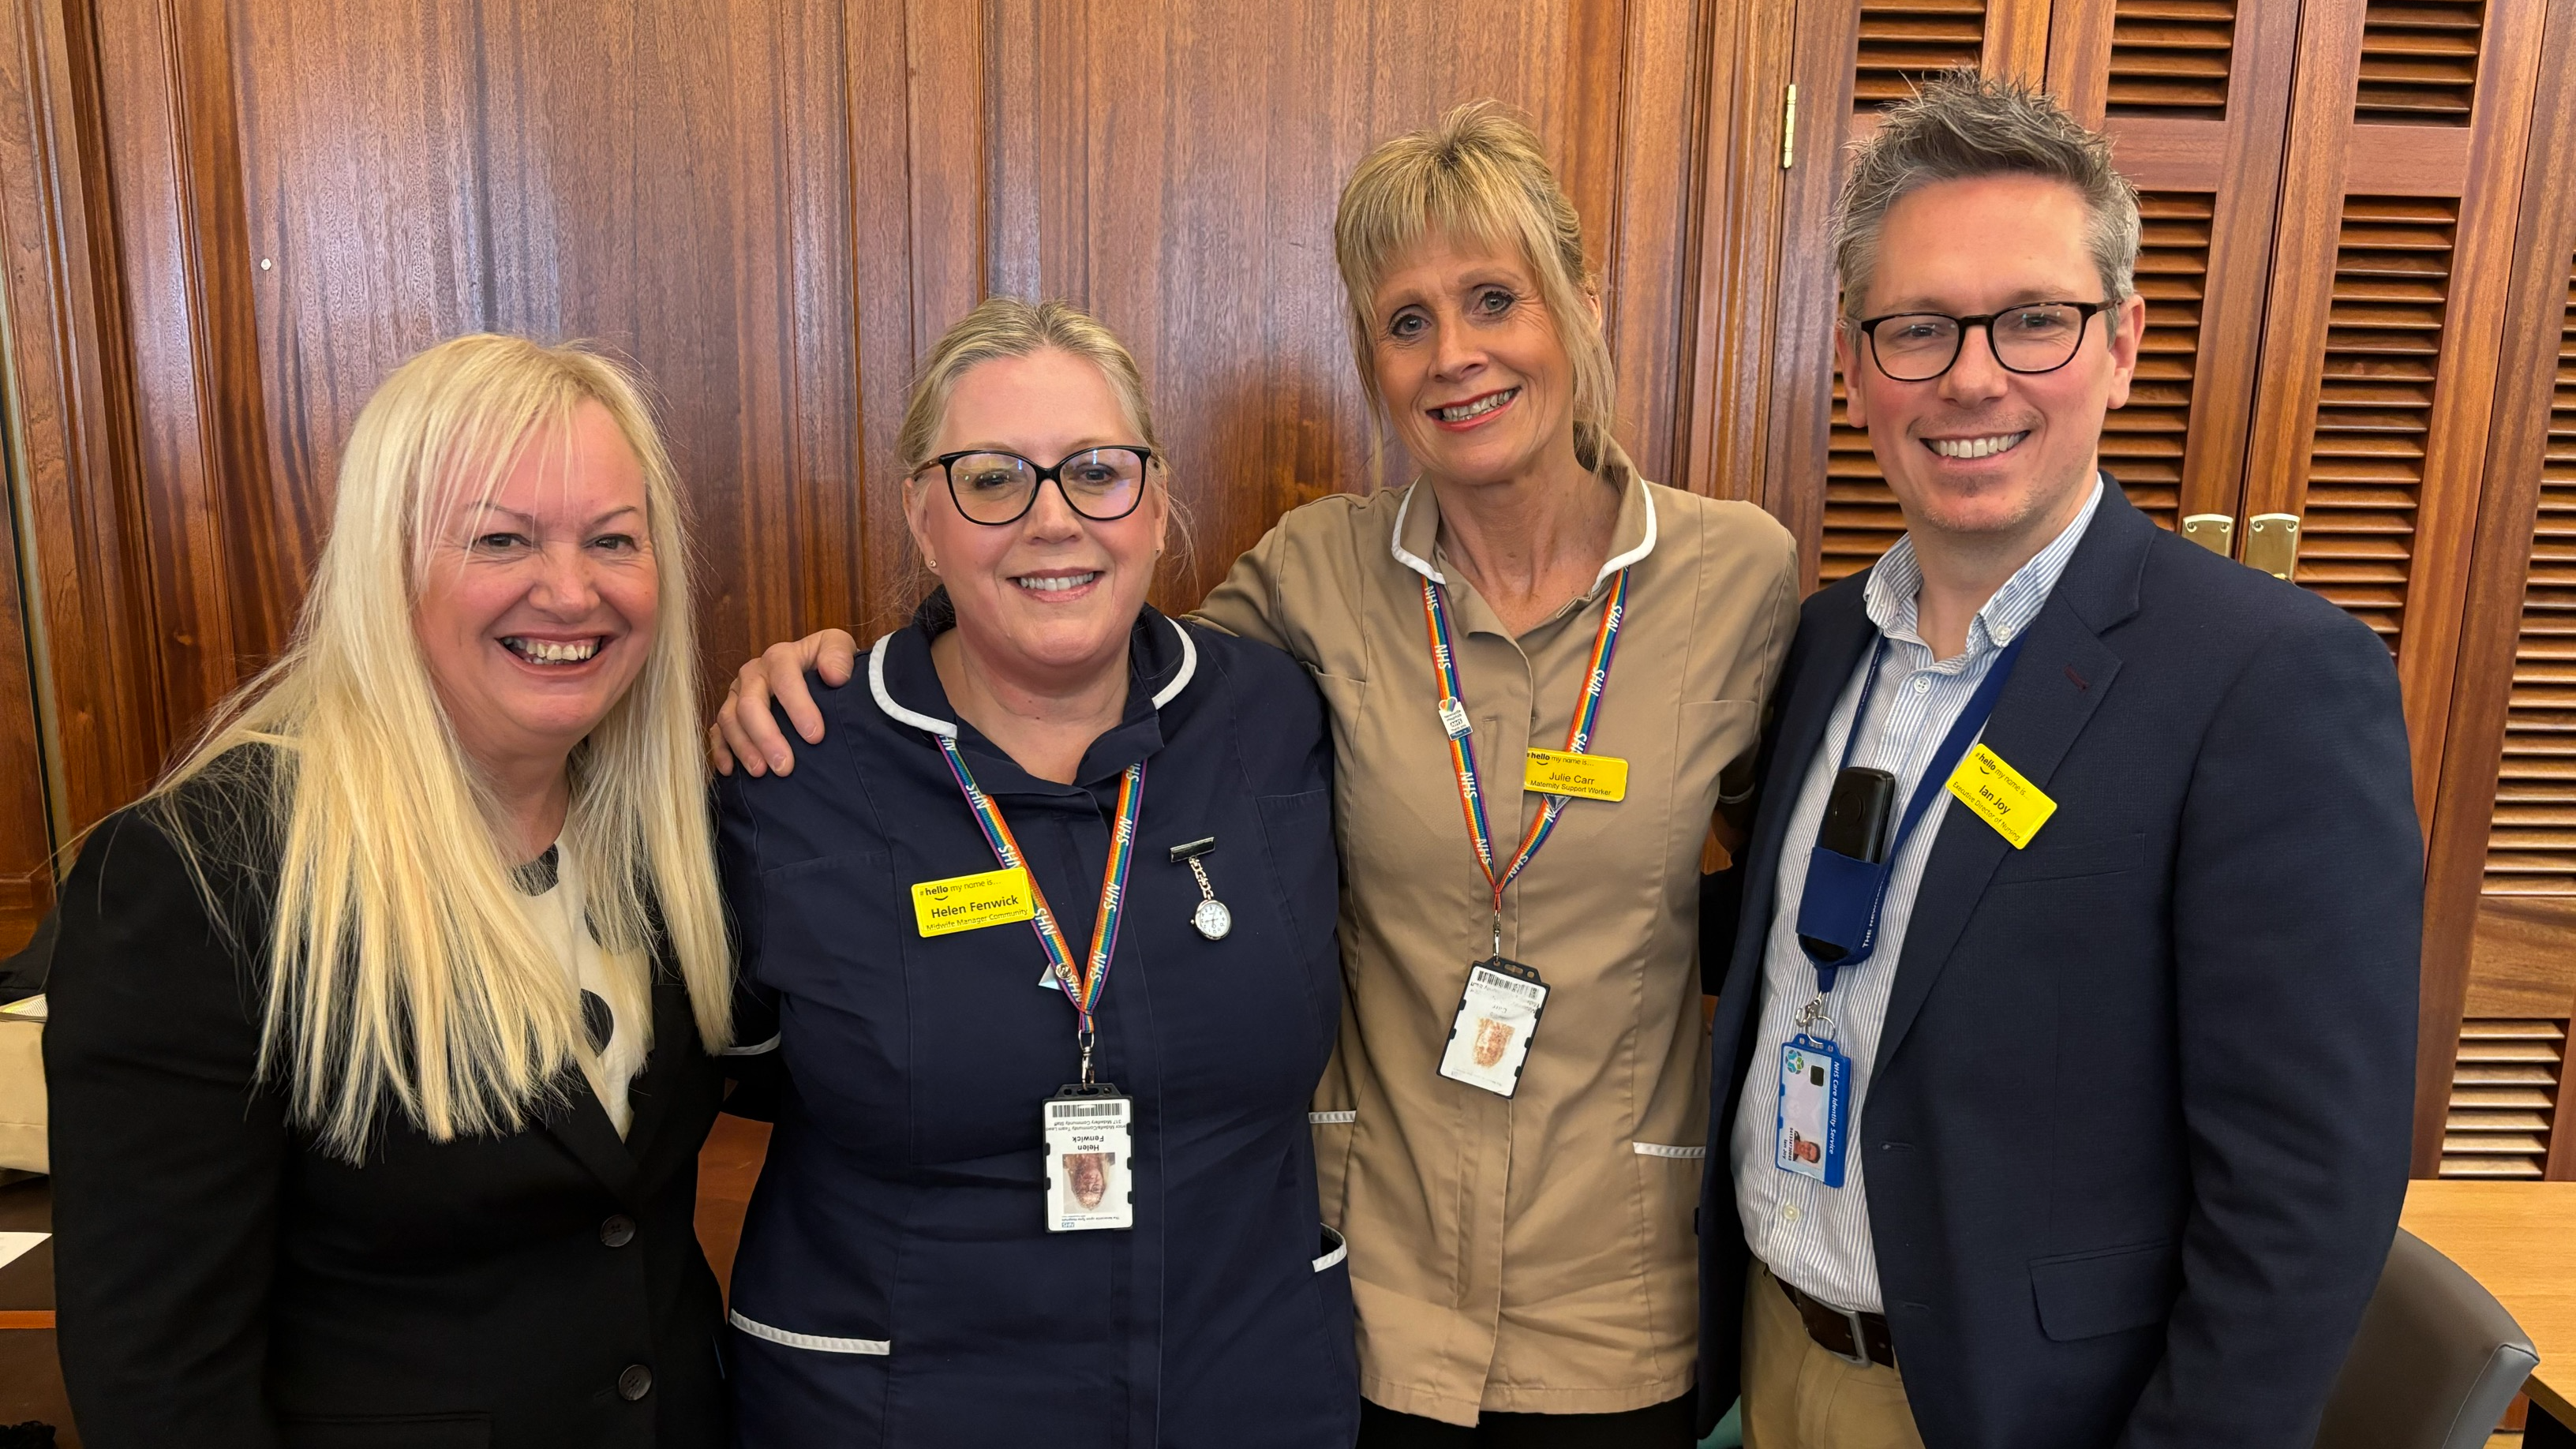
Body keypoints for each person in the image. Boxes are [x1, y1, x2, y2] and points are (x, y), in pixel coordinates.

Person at [716, 103, 1799, 1446]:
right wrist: (834, 683)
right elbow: (1078, 650)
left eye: (1494, 300)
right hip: (1374, 1308)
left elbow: (1791, 887)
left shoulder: (1739, 578)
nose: (1454, 355)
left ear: (1580, 304)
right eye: (1405, 322)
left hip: (1615, 1300)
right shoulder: (1309, 585)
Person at [1697, 73, 2421, 1449]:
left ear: (2123, 343)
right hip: (1770, 1360)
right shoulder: (1821, 644)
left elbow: (2305, 1193)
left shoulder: (2268, 682)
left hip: (2022, 1412)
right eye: (1918, 329)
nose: (1974, 376)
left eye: (2033, 321)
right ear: (1856, 369)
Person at [44, 335, 738, 1447]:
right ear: (386, 562)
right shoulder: (201, 881)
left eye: (613, 540)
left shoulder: (671, 840)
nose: (571, 589)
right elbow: (161, 1381)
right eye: (501, 539)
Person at [712, 297, 1358, 1445]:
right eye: (994, 479)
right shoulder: (797, 762)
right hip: (895, 1405)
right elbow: (708, 1079)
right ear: (922, 516)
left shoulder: (1275, 720)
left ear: (1156, 505)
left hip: (1244, 1389)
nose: (1053, 520)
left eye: (1096, 473)